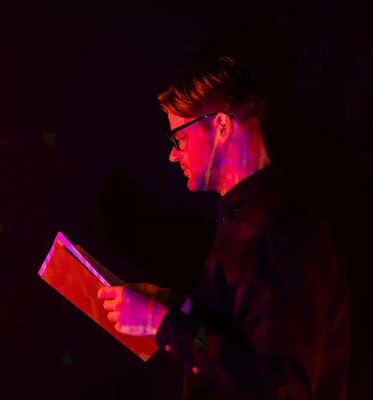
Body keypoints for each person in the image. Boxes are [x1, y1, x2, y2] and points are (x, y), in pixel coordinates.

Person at [97, 56, 350, 399]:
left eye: (179, 139)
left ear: (220, 127)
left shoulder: (278, 228)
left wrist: (161, 322)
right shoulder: (244, 220)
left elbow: (282, 387)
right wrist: (179, 309)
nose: (173, 156)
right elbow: (241, 340)